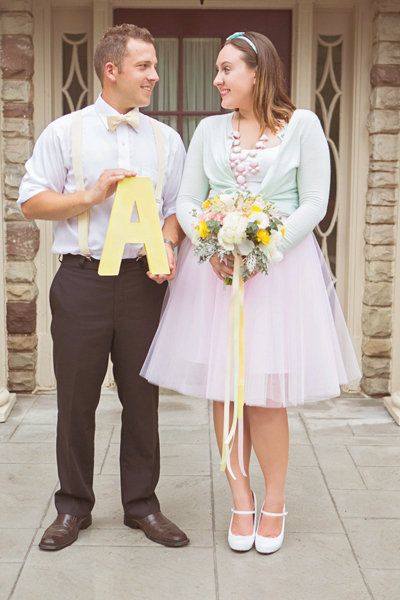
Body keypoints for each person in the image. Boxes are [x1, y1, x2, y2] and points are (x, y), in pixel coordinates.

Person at [141, 31, 360, 554]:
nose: (216, 80)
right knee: (224, 389)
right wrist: (212, 245)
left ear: (256, 73)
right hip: (216, 273)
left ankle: (275, 502)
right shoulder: (208, 130)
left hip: (279, 274)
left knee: (265, 396)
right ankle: (241, 500)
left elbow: (314, 202)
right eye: (216, 70)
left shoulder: (302, 124)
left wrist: (265, 248)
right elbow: (191, 201)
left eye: (225, 70)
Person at [18, 23, 189, 550]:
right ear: (111, 70)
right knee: (75, 400)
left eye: (155, 66)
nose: (155, 76)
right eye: (145, 66)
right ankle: (73, 507)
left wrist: (166, 246)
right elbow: (31, 201)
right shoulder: (63, 132)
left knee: (143, 399)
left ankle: (142, 506)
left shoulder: (167, 140)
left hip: (142, 284)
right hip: (81, 281)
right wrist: (90, 195)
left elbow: (177, 209)